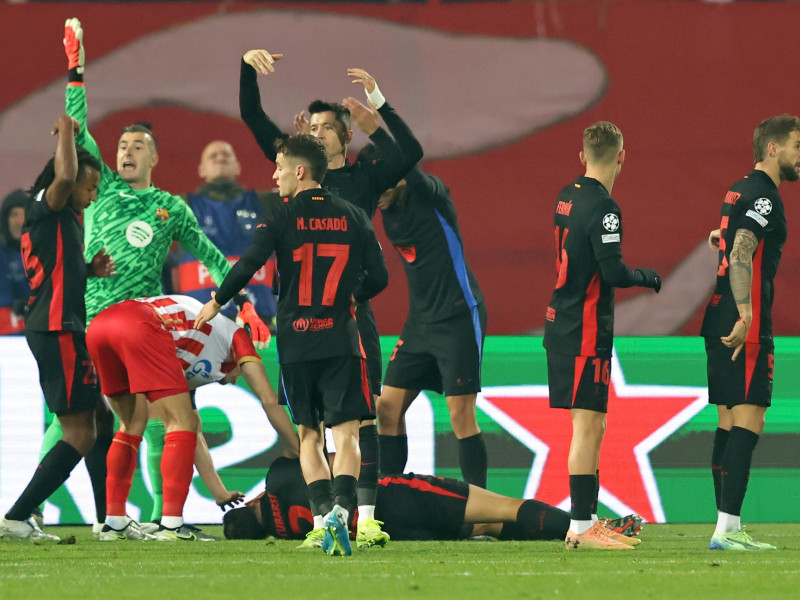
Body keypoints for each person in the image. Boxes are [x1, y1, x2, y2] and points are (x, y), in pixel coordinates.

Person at [36, 18, 271, 528]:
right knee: (82, 418)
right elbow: (76, 124)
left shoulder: (170, 207)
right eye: (122, 146)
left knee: (152, 421)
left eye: (137, 146)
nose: (126, 151)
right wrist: (75, 72)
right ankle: (49, 505)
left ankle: (134, 515)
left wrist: (245, 302)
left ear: (155, 158)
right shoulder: (103, 190)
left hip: (145, 326)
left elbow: (214, 258)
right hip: (93, 316)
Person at [240, 52, 421, 546]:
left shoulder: (363, 179)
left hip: (350, 315)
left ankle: (364, 518)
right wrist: (247, 68)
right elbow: (252, 119)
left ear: (346, 136)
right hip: (301, 318)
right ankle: (327, 520)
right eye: (311, 126)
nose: (317, 132)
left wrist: (378, 106)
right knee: (312, 425)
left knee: (364, 417)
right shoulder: (298, 172)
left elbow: (410, 150)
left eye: (327, 126)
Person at [195, 134, 388, 556]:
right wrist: (349, 297)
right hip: (341, 340)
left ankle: (320, 522)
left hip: (297, 343)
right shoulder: (354, 215)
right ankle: (343, 508)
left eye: (280, 167)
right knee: (348, 435)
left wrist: (216, 301)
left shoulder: (278, 216)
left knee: (308, 436)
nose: (274, 174)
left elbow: (248, 264)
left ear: (299, 172)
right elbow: (380, 278)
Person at [87, 294, 300, 542]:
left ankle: (114, 523)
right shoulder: (237, 338)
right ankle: (172, 525)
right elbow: (268, 399)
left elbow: (193, 432)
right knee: (180, 424)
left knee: (131, 425)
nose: (233, 380)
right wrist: (298, 450)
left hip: (101, 327)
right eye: (238, 375)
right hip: (142, 325)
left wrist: (219, 492)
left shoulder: (191, 351)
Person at [543, 121, 661, 550]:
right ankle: (579, 527)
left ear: (582, 157)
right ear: (621, 156)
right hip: (585, 328)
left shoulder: (566, 195)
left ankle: (587, 519)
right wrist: (646, 277)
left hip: (561, 321)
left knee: (591, 423)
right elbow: (612, 271)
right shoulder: (605, 206)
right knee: (588, 427)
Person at [0, 115, 113, 541]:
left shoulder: (57, 219)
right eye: (90, 186)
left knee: (99, 420)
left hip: (59, 326)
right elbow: (65, 173)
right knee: (80, 432)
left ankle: (108, 520)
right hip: (56, 329)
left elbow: (52, 272)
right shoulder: (50, 204)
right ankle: (17, 515)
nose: (92, 193)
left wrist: (87, 269)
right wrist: (67, 130)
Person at [701, 115, 800, 551]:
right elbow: (743, 250)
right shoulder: (765, 196)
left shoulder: (740, 187)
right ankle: (727, 530)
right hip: (746, 321)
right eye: (797, 145)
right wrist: (746, 314)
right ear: (774, 149)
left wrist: (720, 237)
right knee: (750, 419)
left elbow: (732, 236)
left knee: (727, 421)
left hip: (717, 312)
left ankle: (725, 527)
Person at [364, 149, 488, 488]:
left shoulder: (433, 195)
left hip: (459, 317)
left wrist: (377, 112)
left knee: (460, 415)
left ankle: (481, 509)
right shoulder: (384, 206)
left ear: (402, 178)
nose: (378, 197)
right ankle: (391, 496)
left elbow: (412, 164)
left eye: (384, 188)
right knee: (386, 409)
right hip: (419, 323)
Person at [222, 456, 642, 544]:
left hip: (402, 534)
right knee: (505, 508)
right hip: (397, 501)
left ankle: (569, 533)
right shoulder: (277, 476)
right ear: (249, 503)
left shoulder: (280, 530)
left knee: (489, 525)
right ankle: (587, 528)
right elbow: (337, 459)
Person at [176, 140, 280, 328]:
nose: (220, 158)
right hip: (199, 325)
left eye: (226, 155)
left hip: (261, 325)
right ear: (201, 170)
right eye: (213, 156)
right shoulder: (181, 206)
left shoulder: (266, 203)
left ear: (237, 167)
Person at [0, 189, 29, 334]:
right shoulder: (2, 252)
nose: (19, 221)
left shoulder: (42, 251)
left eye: (23, 214)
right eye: (13, 215)